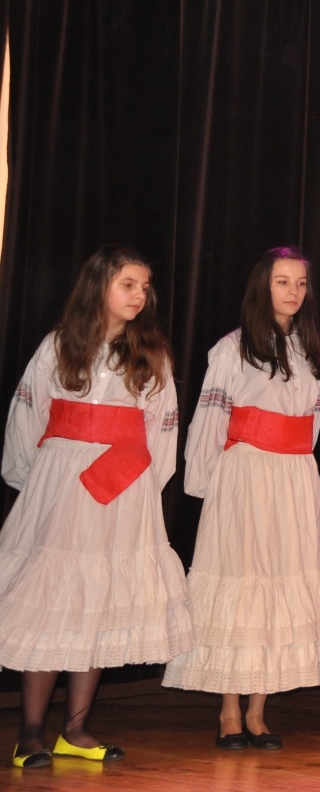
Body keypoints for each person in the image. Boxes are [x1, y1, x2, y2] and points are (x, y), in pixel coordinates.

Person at [0, 245, 193, 768]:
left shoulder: (151, 354)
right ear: (99, 286)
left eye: (144, 286)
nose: (139, 295)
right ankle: (30, 733)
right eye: (128, 284)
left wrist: (139, 492)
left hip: (121, 486)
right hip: (62, 484)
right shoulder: (59, 345)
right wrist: (37, 482)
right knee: (53, 599)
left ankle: (76, 729)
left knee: (99, 601)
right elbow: (27, 415)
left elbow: (162, 432)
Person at [162, 246, 320, 750]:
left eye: (301, 283)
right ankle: (230, 709)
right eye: (283, 282)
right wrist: (207, 481)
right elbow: (210, 418)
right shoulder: (232, 349)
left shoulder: (312, 353)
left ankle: (259, 710)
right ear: (264, 286)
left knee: (279, 581)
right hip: (245, 474)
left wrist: (298, 468)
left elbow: (312, 423)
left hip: (293, 476)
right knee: (242, 578)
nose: (293, 292)